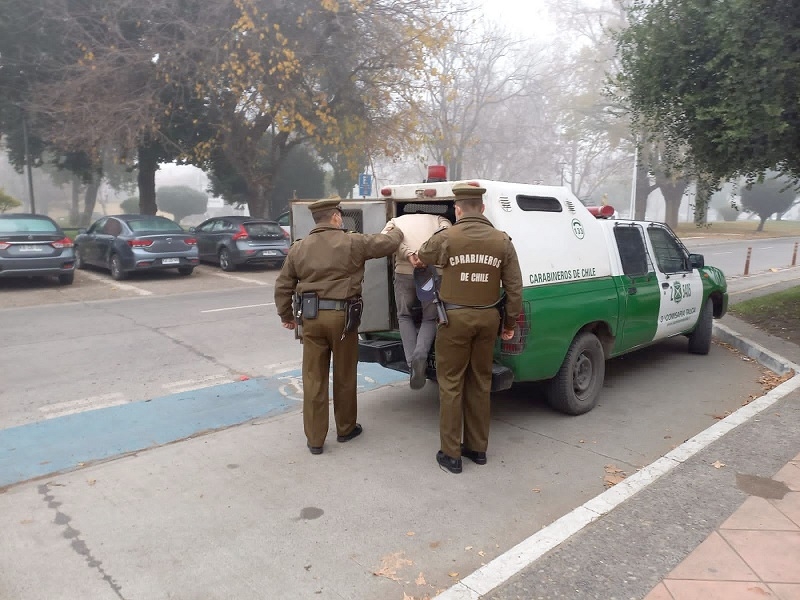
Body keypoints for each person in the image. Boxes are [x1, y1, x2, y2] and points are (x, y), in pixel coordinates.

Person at [274, 198, 403, 455]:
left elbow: (282, 286)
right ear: (335, 217)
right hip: (343, 320)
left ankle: (315, 440)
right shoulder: (353, 242)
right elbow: (388, 243)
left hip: (311, 319)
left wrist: (286, 315)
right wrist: (398, 226)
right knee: (344, 375)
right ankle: (345, 429)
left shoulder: (299, 248)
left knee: (313, 379)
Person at [417, 182, 523, 474]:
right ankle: (478, 449)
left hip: (453, 321)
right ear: (483, 208)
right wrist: (510, 323)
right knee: (480, 383)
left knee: (451, 384)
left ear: (458, 209)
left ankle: (451, 454)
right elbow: (515, 287)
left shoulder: (447, 236)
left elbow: (422, 255)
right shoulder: (502, 241)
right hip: (488, 319)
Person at [380, 211, 451, 390]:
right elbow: (448, 234)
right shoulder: (440, 220)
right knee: (429, 317)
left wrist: (408, 254)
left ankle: (412, 363)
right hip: (432, 274)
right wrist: (426, 256)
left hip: (404, 273)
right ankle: (421, 354)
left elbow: (385, 240)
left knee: (404, 316)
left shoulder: (395, 221)